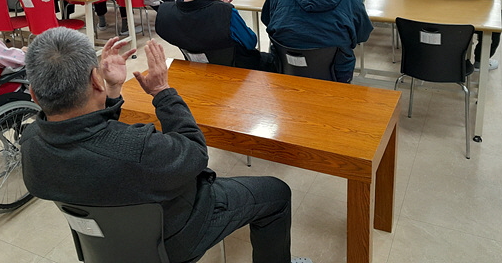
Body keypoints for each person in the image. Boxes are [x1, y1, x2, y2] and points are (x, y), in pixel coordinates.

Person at [21, 29, 312, 263]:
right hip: (175, 238)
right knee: (276, 193)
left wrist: (111, 91)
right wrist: (162, 91)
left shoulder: (31, 144)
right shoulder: (138, 150)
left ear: (34, 94)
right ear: (95, 80)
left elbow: (90, 135)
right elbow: (195, 153)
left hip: (107, 245)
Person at [156, 0, 276, 72]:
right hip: (237, 70)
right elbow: (251, 42)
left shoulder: (165, 13)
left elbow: (196, 21)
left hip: (197, 67)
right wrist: (220, 7)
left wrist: (214, 5)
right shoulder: (225, 13)